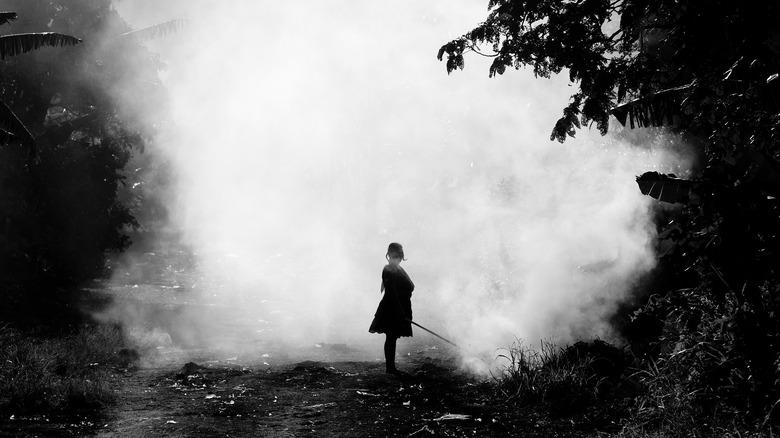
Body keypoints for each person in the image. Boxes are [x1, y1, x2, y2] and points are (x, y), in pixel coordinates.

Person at [368, 242, 414, 375]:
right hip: (392, 308)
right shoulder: (389, 269)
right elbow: (391, 292)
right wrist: (400, 310)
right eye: (396, 255)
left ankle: (391, 367)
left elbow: (410, 285)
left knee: (392, 337)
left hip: (399, 306)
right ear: (390, 255)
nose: (398, 258)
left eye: (399, 256)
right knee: (391, 337)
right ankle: (390, 368)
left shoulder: (398, 269)